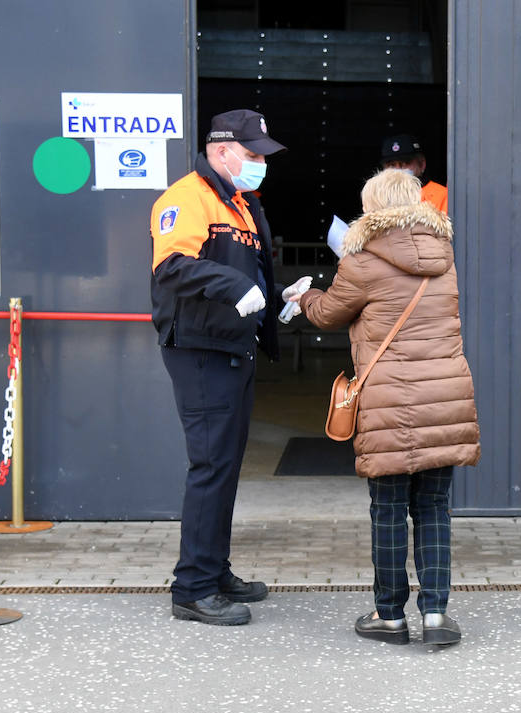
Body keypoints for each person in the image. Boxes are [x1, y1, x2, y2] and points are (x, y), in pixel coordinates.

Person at [300, 168, 479, 645]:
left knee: (388, 509)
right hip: (444, 398)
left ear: (373, 206)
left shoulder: (360, 260)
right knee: (435, 507)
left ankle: (390, 616)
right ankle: (437, 616)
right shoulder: (444, 255)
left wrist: (304, 296)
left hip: (388, 404)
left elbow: (327, 313)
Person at [150, 109, 312, 627]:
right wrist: (236, 288)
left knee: (225, 464)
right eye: (252, 153)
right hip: (199, 348)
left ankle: (214, 571)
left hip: (232, 347)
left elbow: (248, 270)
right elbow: (173, 265)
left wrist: (275, 296)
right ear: (221, 151)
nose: (261, 162)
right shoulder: (187, 197)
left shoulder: (240, 203)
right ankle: (193, 588)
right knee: (211, 465)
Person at [380, 133, 448, 213]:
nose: (397, 170)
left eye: (404, 164)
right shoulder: (377, 196)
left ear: (422, 164)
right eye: (392, 165)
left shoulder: (442, 195)